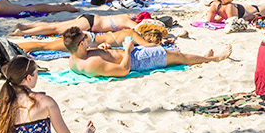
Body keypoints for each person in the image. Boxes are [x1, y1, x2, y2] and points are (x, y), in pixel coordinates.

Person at [60, 27, 229, 77]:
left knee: (176, 56)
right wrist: (127, 50)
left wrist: (104, 50)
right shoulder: (91, 63)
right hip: (137, 60)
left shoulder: (74, 58)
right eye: (85, 38)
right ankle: (213, 59)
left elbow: (101, 59)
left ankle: (202, 58)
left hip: (129, 54)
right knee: (177, 56)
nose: (89, 38)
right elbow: (123, 70)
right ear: (81, 44)